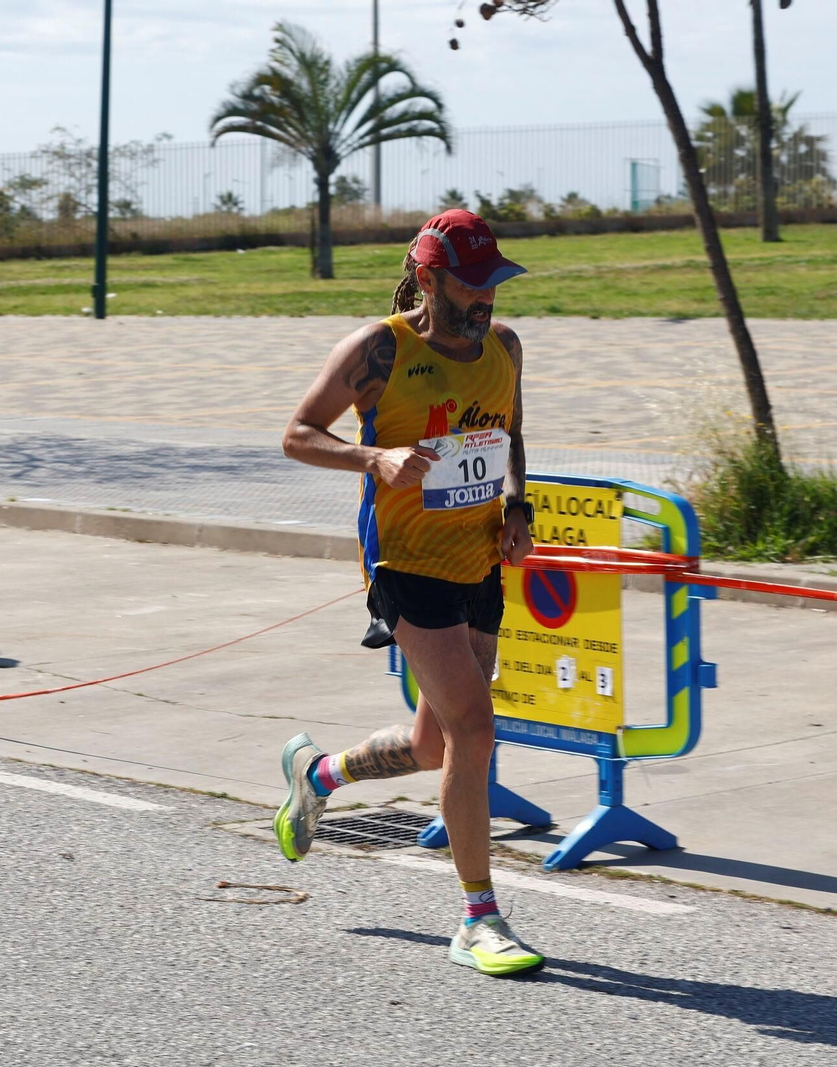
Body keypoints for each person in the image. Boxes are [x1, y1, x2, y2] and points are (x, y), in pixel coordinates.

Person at [276, 210, 543, 977]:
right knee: (475, 728)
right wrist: (375, 458)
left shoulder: (505, 347)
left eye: (494, 282)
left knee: (436, 746)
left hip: (478, 561)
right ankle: (478, 918)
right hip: (405, 563)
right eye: (472, 283)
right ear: (429, 278)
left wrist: (518, 508)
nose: (486, 297)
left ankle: (318, 774)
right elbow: (297, 433)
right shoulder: (380, 349)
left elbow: (509, 435)